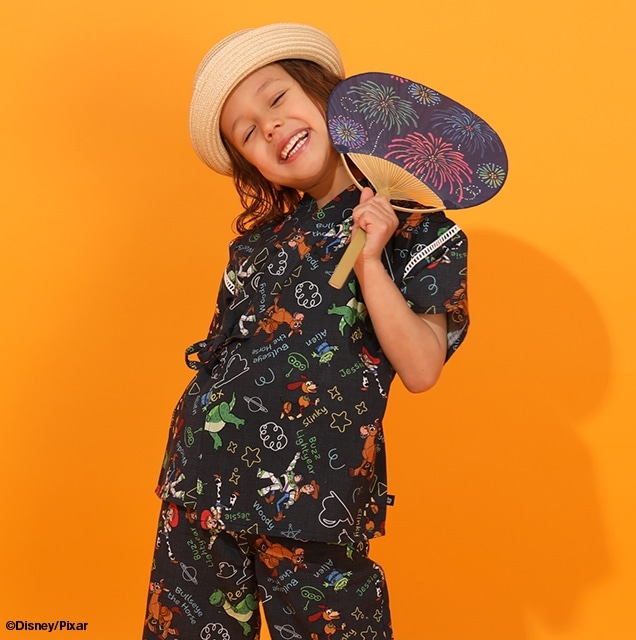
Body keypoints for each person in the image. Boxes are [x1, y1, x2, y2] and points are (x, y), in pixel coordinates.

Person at [143, 23, 470, 640]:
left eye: (276, 99)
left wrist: (370, 260)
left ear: (325, 92)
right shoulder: (254, 248)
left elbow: (423, 366)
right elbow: (220, 361)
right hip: (201, 487)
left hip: (315, 500)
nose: (269, 127)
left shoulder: (421, 232)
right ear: (252, 165)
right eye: (247, 133)